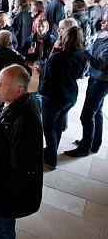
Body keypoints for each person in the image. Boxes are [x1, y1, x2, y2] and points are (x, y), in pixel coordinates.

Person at [0, 65, 43, 239]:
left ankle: (2, 234)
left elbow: (22, 171)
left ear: (19, 90)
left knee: (3, 226)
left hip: (3, 194)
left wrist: (4, 201)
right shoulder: (14, 105)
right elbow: (8, 134)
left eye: (0, 85)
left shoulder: (26, 124)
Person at [39, 26, 88, 169]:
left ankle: (51, 159)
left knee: (49, 128)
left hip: (54, 97)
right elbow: (80, 75)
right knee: (58, 124)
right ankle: (51, 150)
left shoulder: (57, 57)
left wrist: (41, 91)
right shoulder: (82, 55)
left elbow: (47, 78)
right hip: (70, 95)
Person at [65, 13, 108, 157]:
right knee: (97, 112)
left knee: (87, 115)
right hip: (98, 79)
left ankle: (85, 148)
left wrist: (85, 53)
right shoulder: (103, 36)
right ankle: (94, 143)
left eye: (106, 20)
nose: (102, 21)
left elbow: (99, 64)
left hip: (101, 81)